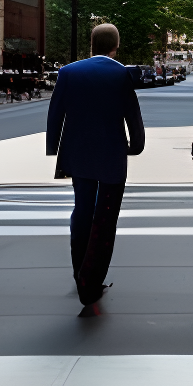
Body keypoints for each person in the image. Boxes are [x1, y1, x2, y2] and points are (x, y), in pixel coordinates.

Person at [46, 23, 146, 316]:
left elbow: (56, 113)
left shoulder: (68, 72)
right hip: (112, 153)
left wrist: (54, 148)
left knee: (82, 209)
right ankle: (93, 277)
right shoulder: (121, 73)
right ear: (116, 45)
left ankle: (79, 271)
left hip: (78, 153)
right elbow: (132, 113)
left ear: (91, 43)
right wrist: (136, 144)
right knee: (106, 216)